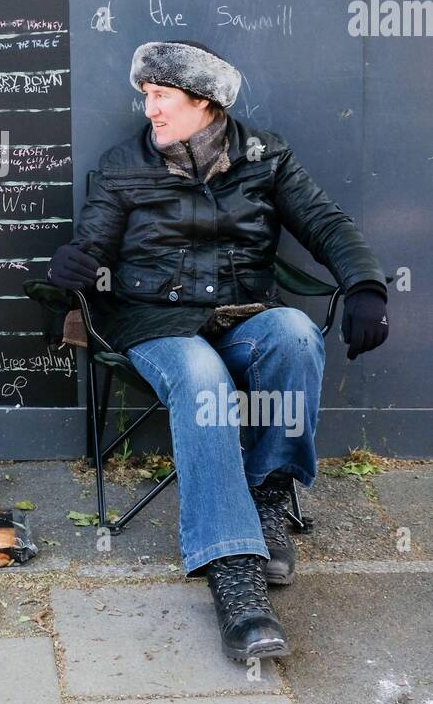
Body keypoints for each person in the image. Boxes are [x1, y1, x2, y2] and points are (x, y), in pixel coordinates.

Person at [47, 40, 389, 662]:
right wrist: (73, 263)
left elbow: (326, 223)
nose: (148, 108)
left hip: (240, 314)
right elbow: (92, 238)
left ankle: (267, 497)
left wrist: (363, 285)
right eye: (145, 95)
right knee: (204, 379)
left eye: (161, 96)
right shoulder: (124, 163)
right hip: (155, 324)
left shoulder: (266, 155)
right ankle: (234, 574)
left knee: (293, 334)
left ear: (205, 103)